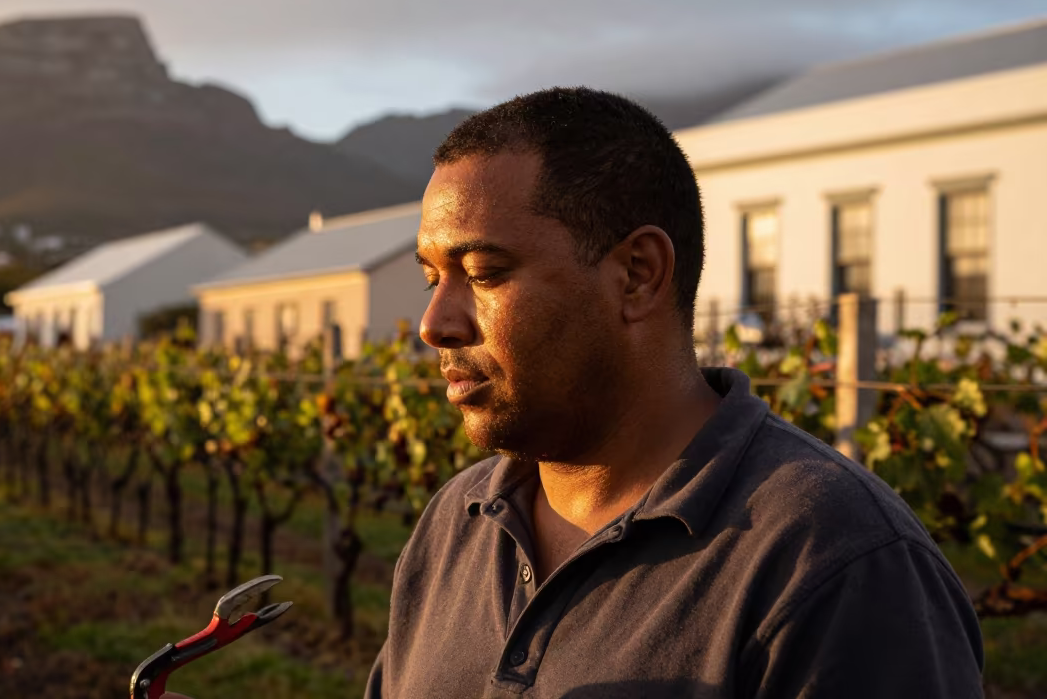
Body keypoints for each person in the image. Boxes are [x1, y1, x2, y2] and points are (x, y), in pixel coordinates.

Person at [166, 86, 983, 699]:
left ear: (637, 275)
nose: (434, 324)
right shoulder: (458, 523)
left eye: (484, 274)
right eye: (430, 277)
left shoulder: (836, 566)